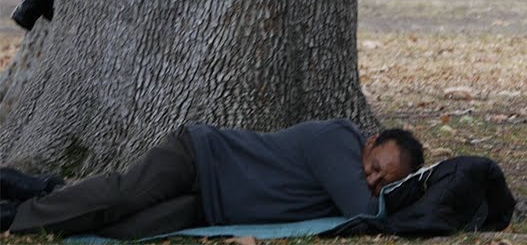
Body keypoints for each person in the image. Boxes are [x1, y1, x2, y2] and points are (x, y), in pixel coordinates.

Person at [0, 119, 425, 239]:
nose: (370, 180)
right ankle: (14, 213)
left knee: (121, 228)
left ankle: (44, 191)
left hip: (209, 207)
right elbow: (364, 211)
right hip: (201, 158)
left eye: (382, 183)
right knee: (119, 196)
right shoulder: (338, 141)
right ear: (370, 142)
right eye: (374, 167)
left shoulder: (359, 179)